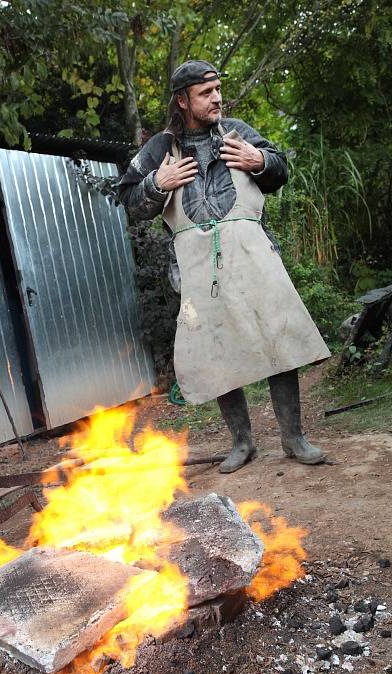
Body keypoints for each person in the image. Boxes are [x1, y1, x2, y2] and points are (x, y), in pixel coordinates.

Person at [117, 59, 331, 473]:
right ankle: (242, 443)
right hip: (198, 265)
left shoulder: (238, 133)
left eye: (218, 89)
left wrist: (260, 161)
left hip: (252, 254)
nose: (217, 98)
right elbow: (128, 199)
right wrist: (155, 185)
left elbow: (279, 169)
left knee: (278, 340)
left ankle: (294, 438)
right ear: (182, 100)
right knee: (217, 348)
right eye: (205, 92)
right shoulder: (159, 150)